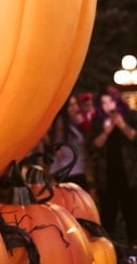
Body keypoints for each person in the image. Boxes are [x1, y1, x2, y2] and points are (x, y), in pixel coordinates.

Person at [90, 90, 137, 248]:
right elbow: (92, 146)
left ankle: (134, 247)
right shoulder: (98, 122)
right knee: (108, 216)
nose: (107, 106)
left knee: (132, 214)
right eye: (103, 103)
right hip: (107, 178)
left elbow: (135, 138)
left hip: (129, 176)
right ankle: (110, 250)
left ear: (117, 102)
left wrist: (122, 125)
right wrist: (106, 132)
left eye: (110, 102)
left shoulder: (130, 117)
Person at [45, 94, 91, 187]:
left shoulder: (76, 123)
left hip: (77, 169)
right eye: (71, 105)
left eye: (75, 104)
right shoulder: (61, 123)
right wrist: (55, 148)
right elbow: (46, 134)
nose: (75, 108)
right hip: (67, 171)